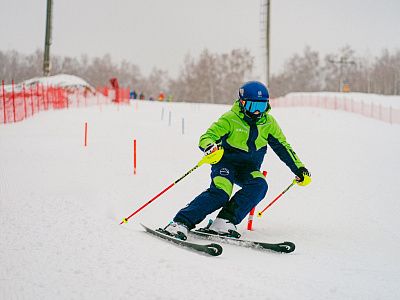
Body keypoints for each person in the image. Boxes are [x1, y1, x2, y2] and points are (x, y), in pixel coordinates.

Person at [164, 81, 311, 240]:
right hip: (225, 163)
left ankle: (224, 221)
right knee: (221, 193)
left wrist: (299, 169)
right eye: (252, 105)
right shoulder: (230, 118)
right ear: (242, 102)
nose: (256, 111)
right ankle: (180, 223)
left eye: (261, 106)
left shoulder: (269, 123)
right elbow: (207, 137)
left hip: (248, 168)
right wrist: (210, 147)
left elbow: (283, 147)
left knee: (259, 185)